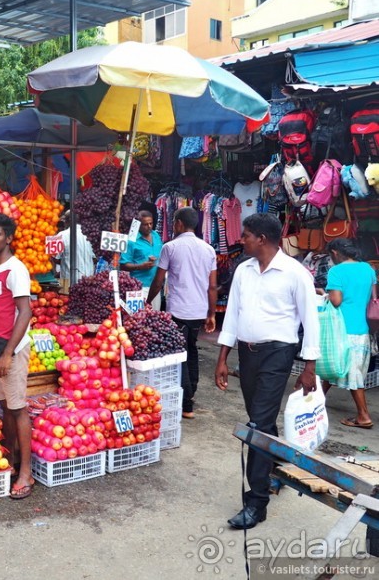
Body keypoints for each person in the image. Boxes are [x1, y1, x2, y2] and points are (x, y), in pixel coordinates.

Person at [214, 213, 320, 530]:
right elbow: (232, 315)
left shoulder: (295, 273)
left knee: (257, 425)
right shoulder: (243, 271)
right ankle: (275, 467)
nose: (240, 239)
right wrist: (222, 358)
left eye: (245, 235)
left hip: (278, 353)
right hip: (247, 353)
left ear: (261, 238)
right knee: (262, 418)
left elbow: (310, 320)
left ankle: (256, 502)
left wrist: (309, 366)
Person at [146, 207, 217, 418]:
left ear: (177, 223)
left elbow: (159, 281)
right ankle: (191, 391)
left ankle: (186, 405)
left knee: (180, 355)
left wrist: (148, 301)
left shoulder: (170, 247)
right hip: (199, 310)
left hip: (178, 310)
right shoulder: (209, 249)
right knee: (192, 349)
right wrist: (212, 313)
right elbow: (212, 287)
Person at [0, 212, 34, 500]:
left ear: (9, 238)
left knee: (18, 409)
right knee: (5, 408)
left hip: (10, 350)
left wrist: (6, 354)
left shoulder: (16, 269)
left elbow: (25, 312)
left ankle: (25, 473)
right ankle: (11, 461)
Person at [321, 238, 375, 429]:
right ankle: (314, 400)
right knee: (335, 365)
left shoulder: (336, 271)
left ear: (335, 253)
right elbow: (371, 297)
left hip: (342, 329)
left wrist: (325, 294)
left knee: (352, 373)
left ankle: (363, 416)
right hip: (361, 329)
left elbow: (336, 300)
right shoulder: (368, 269)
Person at [120, 210, 163, 309]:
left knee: (155, 319)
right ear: (138, 225)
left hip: (155, 287)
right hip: (138, 288)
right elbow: (123, 265)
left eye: (151, 223)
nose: (149, 226)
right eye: (145, 224)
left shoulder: (156, 236)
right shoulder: (131, 240)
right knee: (139, 319)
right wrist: (140, 266)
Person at [54, 211, 95, 290]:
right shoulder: (90, 234)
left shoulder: (60, 235)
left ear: (68, 221)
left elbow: (54, 258)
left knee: (66, 301)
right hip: (88, 281)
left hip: (67, 282)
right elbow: (95, 259)